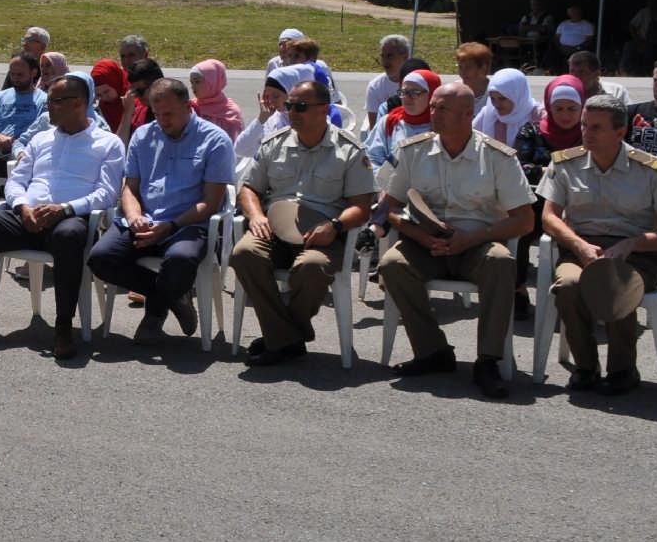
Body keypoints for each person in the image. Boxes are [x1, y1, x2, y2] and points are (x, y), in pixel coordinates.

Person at [376, 82, 536, 399]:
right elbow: (391, 209)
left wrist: (472, 238)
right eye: (433, 106)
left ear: (468, 114)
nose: (433, 113)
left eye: (442, 109)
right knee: (392, 264)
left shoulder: (496, 157)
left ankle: (488, 361)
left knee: (501, 263)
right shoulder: (413, 151)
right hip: (426, 242)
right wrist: (421, 236)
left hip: (476, 242)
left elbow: (525, 219)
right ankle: (433, 351)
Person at [0, 77, 122, 350]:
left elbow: (107, 193)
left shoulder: (108, 143)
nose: (47, 106)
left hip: (70, 219)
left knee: (69, 236)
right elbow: (16, 180)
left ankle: (63, 326)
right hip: (26, 217)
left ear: (78, 104)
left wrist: (65, 209)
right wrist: (22, 207)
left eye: (54, 101)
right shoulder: (41, 139)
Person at [538, 95, 657, 396]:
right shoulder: (566, 163)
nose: (586, 133)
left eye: (596, 127)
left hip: (635, 254)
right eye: (584, 125)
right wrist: (579, 245)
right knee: (568, 285)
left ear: (620, 133)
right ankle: (586, 367)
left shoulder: (650, 170)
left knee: (616, 284)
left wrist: (632, 243)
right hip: (581, 248)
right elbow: (549, 218)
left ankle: (622, 370)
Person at [226, 77, 376, 367]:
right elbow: (249, 189)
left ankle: (279, 337)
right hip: (273, 227)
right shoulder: (274, 143)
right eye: (290, 105)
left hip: (322, 232)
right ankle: (288, 337)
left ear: (324, 109)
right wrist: (256, 215)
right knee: (244, 254)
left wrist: (334, 226)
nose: (292, 111)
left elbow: (362, 206)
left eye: (301, 106)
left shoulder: (348, 150)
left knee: (311, 267)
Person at [84, 78, 234, 354]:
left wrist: (170, 225)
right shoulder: (144, 136)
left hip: (186, 223)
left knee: (180, 259)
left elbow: (212, 202)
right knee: (100, 258)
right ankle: (172, 297)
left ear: (188, 107)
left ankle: (154, 314)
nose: (162, 121)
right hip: (146, 218)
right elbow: (130, 188)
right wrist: (134, 216)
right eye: (157, 114)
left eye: (169, 114)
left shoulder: (214, 140)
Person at [368, 69, 442, 179]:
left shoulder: (443, 125)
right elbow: (373, 157)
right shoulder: (390, 122)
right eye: (403, 92)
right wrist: (383, 183)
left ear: (432, 94)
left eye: (414, 93)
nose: (407, 98)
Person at [514, 76, 586, 184]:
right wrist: (554, 173)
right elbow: (515, 169)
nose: (565, 116)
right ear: (549, 107)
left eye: (572, 109)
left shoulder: (590, 134)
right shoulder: (531, 133)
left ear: (582, 107)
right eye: (558, 109)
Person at [0, 52, 45, 157]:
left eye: (20, 74)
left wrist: (16, 145)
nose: (15, 78)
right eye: (12, 74)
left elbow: (45, 133)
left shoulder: (43, 101)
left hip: (27, 156)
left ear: (33, 72)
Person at [473, 68, 538, 148]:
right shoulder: (488, 112)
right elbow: (470, 137)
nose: (496, 104)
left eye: (502, 98)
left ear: (517, 95)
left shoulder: (535, 115)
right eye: (492, 98)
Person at [364, 34, 414, 125]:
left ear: (405, 57)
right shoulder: (375, 86)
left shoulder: (419, 83)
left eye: (390, 56)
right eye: (383, 56)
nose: (385, 62)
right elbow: (374, 127)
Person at [187, 59, 244, 139]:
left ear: (212, 82)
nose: (193, 87)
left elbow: (237, 145)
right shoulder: (190, 107)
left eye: (197, 82)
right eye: (191, 82)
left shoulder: (231, 112)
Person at [451, 42, 493, 108]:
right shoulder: (453, 91)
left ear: (483, 68)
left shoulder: (496, 93)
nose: (462, 72)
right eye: (460, 67)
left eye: (468, 67)